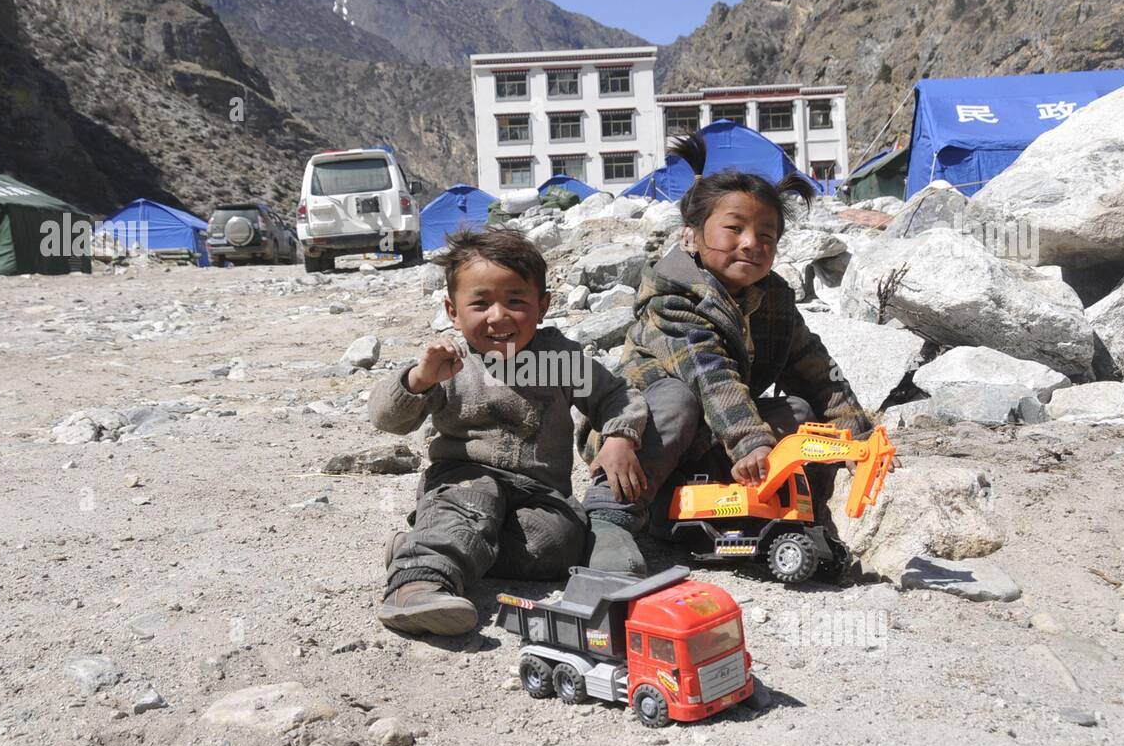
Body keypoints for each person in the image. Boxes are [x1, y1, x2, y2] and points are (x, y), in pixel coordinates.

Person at [580, 130, 874, 574]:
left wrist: (859, 438)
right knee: (677, 399)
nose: (751, 243)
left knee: (797, 413)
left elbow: (814, 367)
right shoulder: (673, 298)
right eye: (734, 229)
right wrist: (751, 442)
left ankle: (739, 511)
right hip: (642, 435)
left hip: (713, 437)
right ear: (693, 236)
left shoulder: (772, 299)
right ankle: (610, 517)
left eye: (766, 235)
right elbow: (709, 374)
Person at [369, 228, 648, 636]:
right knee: (471, 503)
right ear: (453, 310)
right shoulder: (449, 363)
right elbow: (386, 419)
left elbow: (615, 395)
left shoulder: (559, 360)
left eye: (515, 301)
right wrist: (418, 379)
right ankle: (418, 583)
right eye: (480, 304)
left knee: (559, 541)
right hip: (462, 478)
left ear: (543, 305)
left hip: (539, 494)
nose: (498, 316)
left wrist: (620, 434)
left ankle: (425, 545)